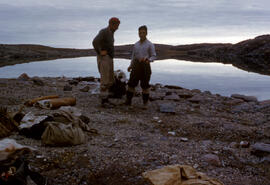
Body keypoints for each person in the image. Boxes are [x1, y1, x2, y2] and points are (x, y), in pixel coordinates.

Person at [125, 25, 156, 108]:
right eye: (140, 33)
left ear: (146, 33)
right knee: (131, 84)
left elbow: (154, 56)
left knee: (145, 85)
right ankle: (128, 101)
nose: (141, 34)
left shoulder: (150, 44)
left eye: (143, 32)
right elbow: (133, 56)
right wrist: (130, 65)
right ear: (138, 33)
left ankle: (145, 103)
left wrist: (148, 60)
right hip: (136, 66)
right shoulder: (136, 44)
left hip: (145, 66)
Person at [92, 17, 120, 107]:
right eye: (117, 25)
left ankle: (106, 99)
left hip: (109, 58)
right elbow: (95, 42)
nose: (118, 27)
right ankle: (104, 102)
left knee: (109, 80)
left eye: (118, 25)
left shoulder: (111, 33)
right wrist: (99, 51)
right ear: (112, 24)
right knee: (104, 80)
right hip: (104, 58)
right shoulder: (104, 31)